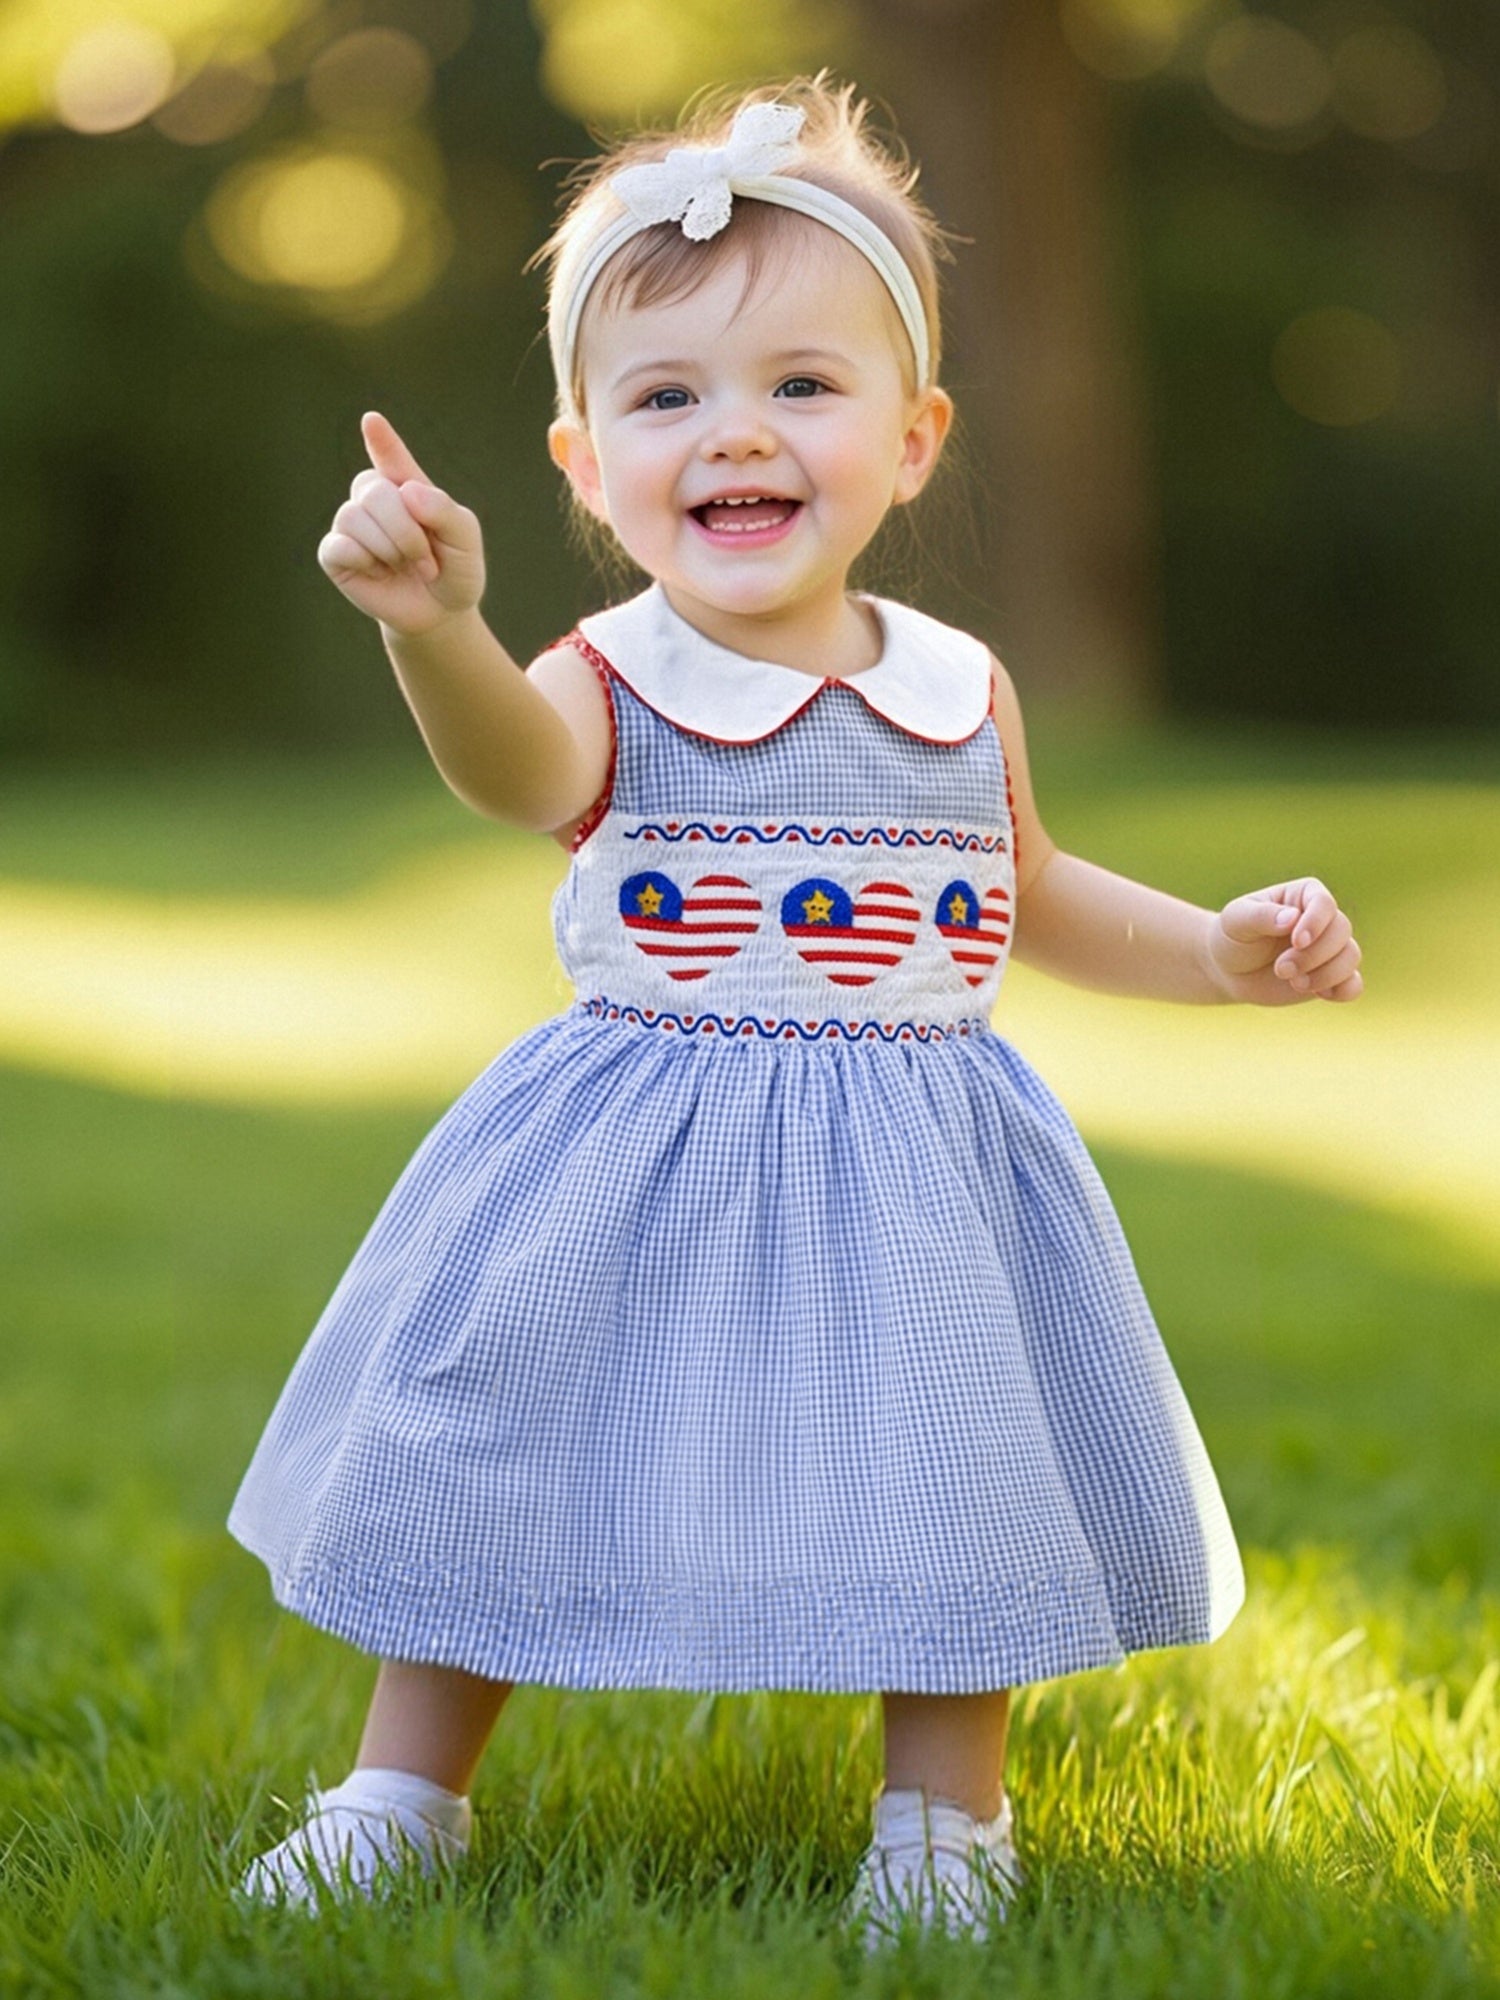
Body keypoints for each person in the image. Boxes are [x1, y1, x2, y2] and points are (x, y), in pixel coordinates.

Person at [228, 77, 1363, 1940]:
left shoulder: (955, 684)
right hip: (631, 1147)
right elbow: (518, 778)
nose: (731, 435)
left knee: (951, 1464)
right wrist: (433, 629)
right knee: (503, 1442)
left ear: (911, 439)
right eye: (666, 399)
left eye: (799, 388)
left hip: (916, 1159)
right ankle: (399, 1789)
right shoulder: (611, 673)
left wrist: (1222, 949)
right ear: (587, 466)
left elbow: (1040, 890)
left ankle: (941, 1823)